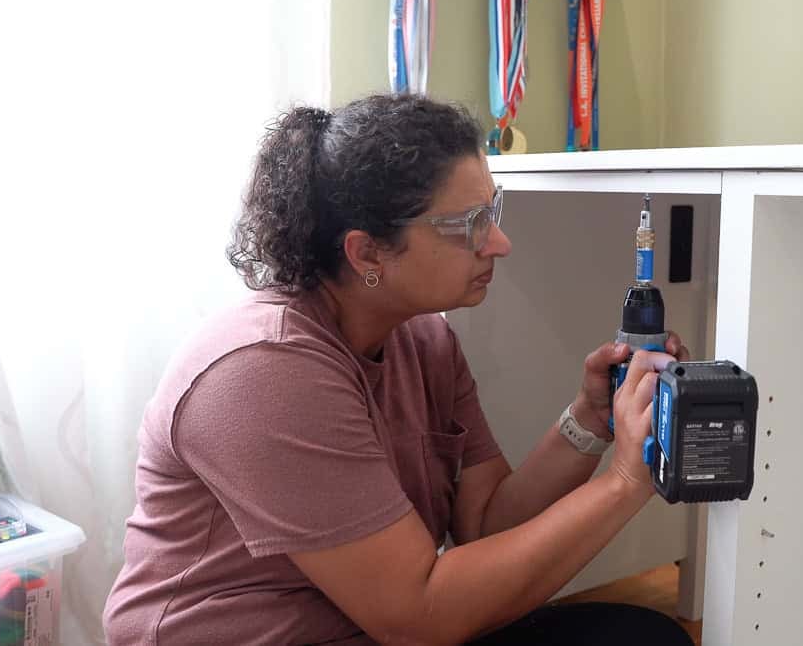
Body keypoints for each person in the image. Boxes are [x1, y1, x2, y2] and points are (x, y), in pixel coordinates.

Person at [103, 94, 695, 646]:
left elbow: (485, 523)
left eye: (493, 212)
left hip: (370, 629)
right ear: (367, 253)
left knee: (641, 637)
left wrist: (590, 420)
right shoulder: (263, 372)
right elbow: (419, 615)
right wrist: (627, 480)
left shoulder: (426, 341)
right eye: (470, 225)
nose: (500, 243)